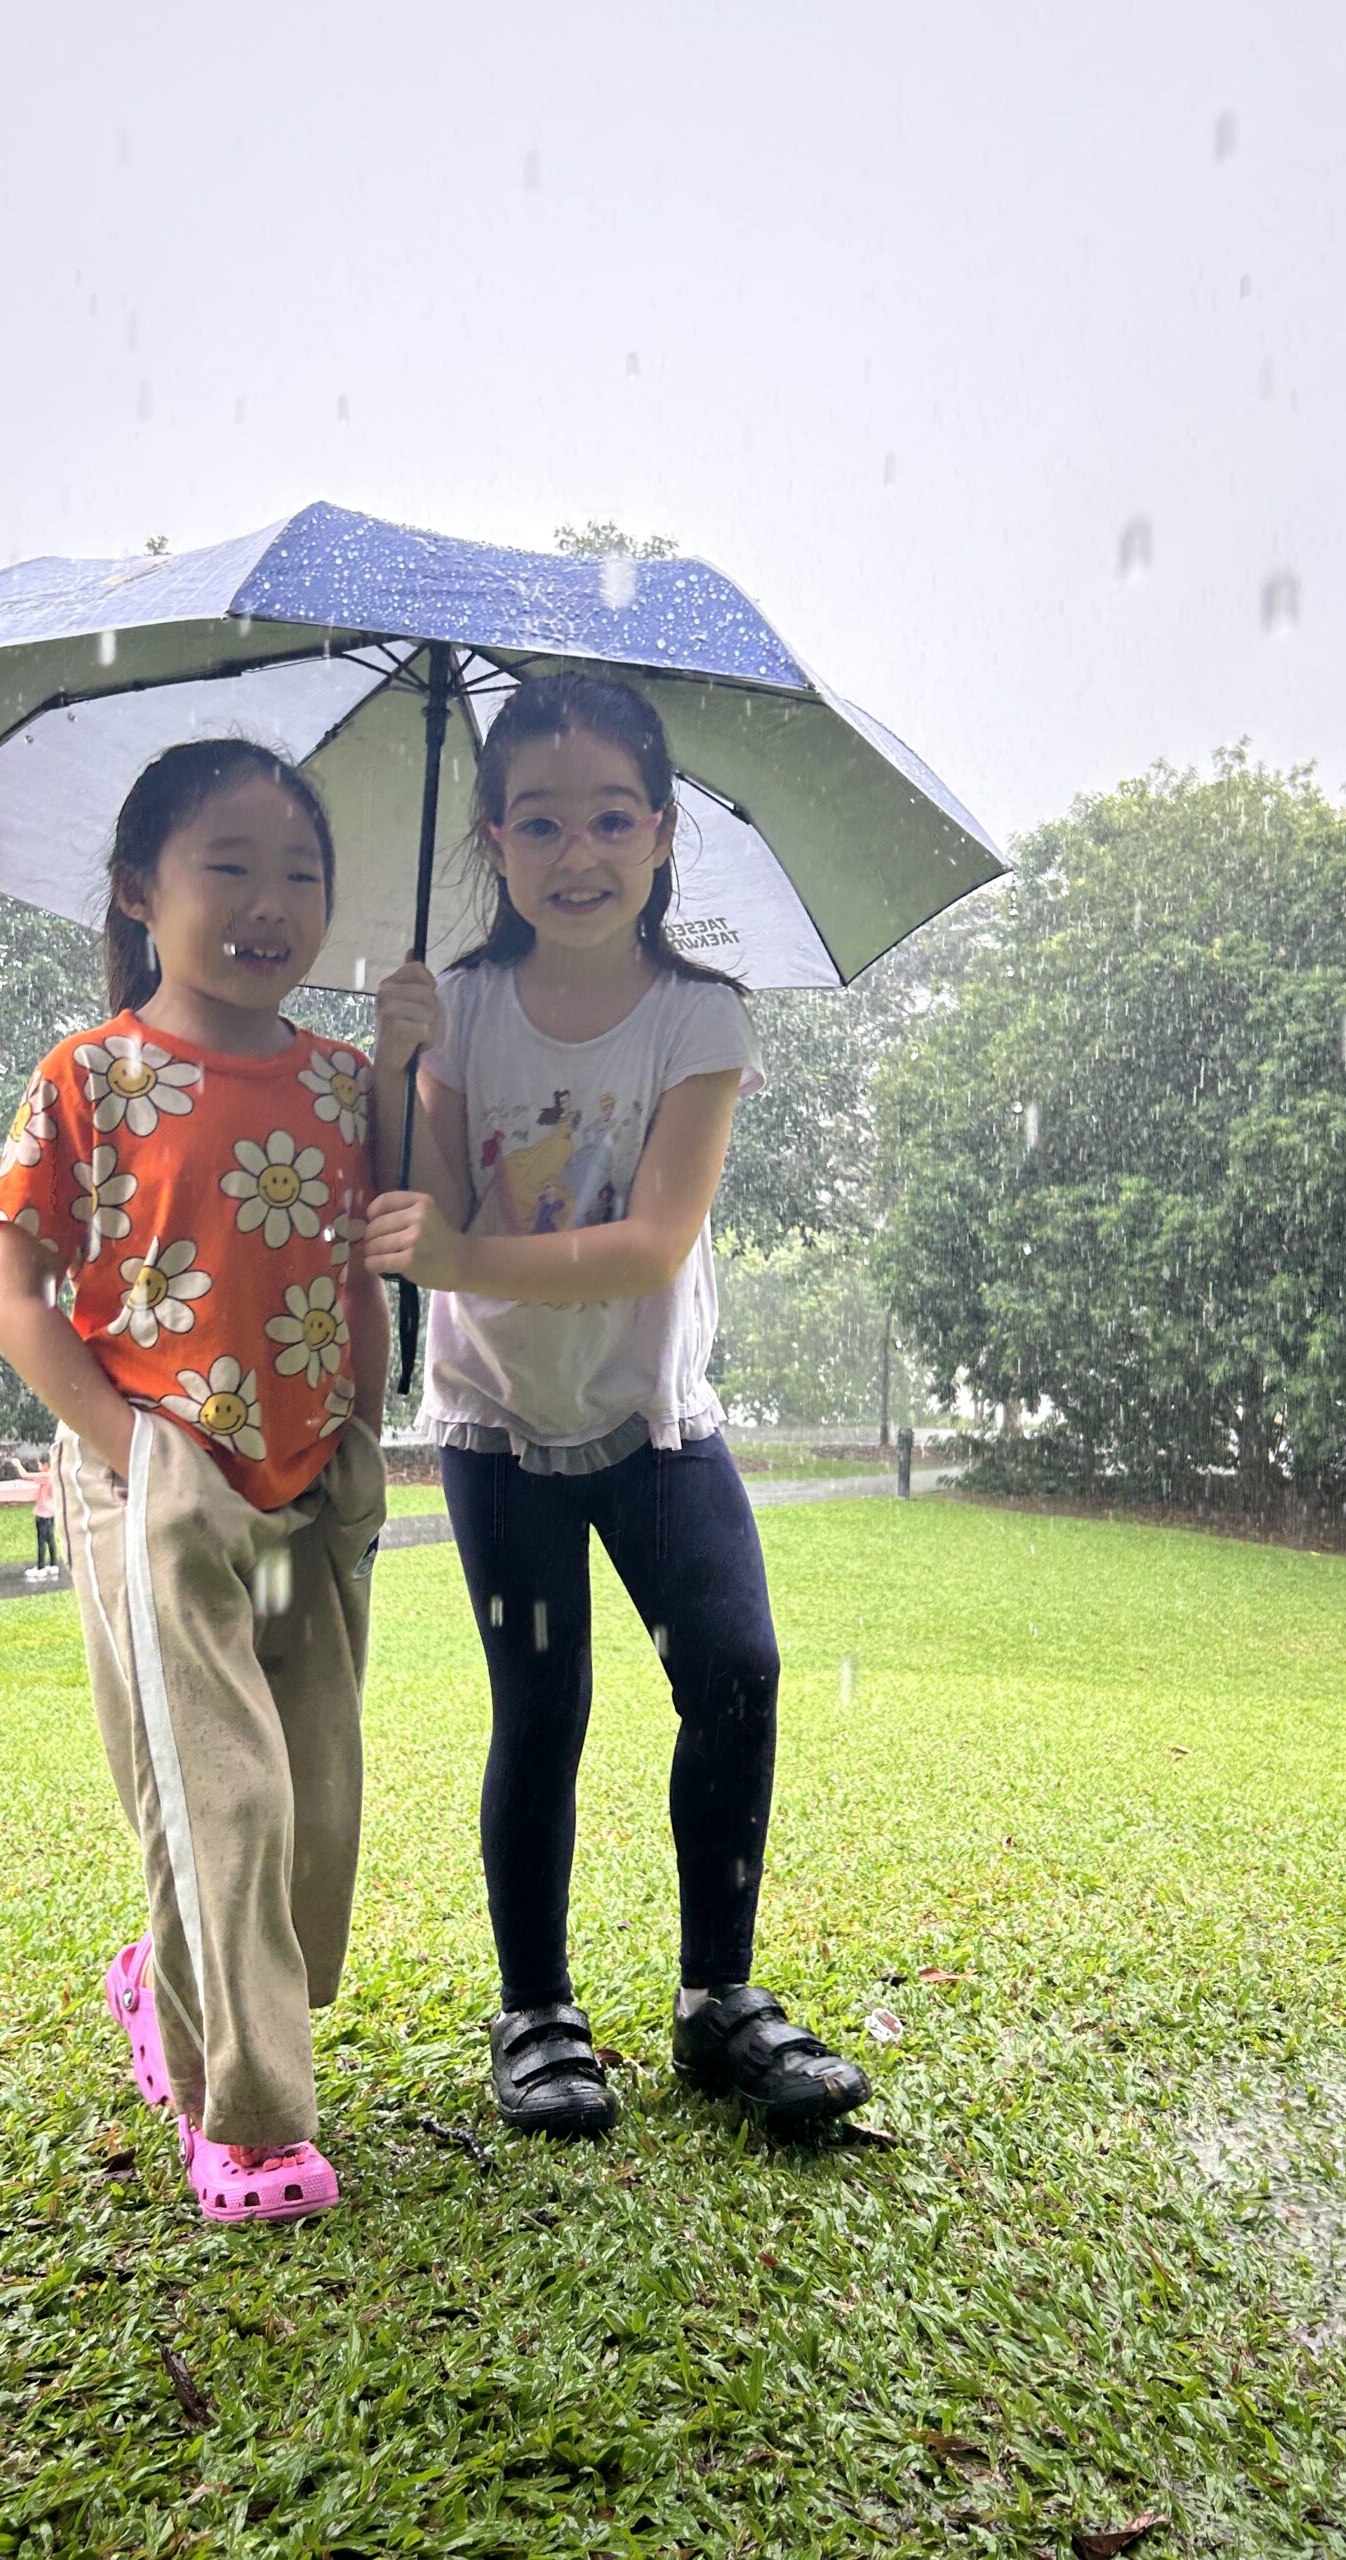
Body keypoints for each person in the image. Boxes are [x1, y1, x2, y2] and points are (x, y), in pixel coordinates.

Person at [365, 673, 870, 2142]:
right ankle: (538, 2012)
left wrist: (460, 1255)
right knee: (543, 1712)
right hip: (498, 1427)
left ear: (660, 837)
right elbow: (420, 1201)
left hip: (657, 1419)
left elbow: (652, 1243)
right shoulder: (455, 1006)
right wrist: (399, 1065)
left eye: (608, 819)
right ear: (495, 842)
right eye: (540, 823)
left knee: (737, 1674)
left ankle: (718, 2000)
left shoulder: (698, 1018)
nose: (575, 852)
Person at [0, 738, 387, 2227]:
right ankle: (251, 2122)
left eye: (302, 872)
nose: (273, 901)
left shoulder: (351, 1085)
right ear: (142, 889)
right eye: (232, 865)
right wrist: (127, 1447)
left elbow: (371, 1264)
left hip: (310, 1482)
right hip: (149, 1470)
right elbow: (13, 1297)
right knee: (227, 1795)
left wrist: (411, 1058)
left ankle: (168, 1987)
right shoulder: (88, 1077)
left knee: (318, 1797)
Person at [25, 1453, 60, 1580]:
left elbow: (25, 1475)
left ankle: (41, 1567)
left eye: (40, 1464)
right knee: (50, 1538)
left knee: (41, 1540)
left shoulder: (46, 1476)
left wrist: (17, 1464)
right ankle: (53, 1564)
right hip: (51, 1512)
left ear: (46, 1465)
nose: (38, 1466)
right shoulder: (55, 1475)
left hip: (43, 1513)